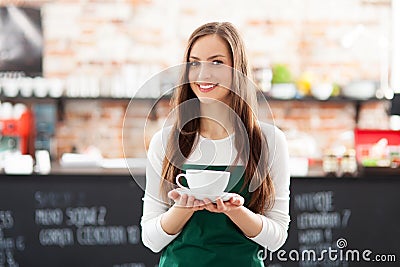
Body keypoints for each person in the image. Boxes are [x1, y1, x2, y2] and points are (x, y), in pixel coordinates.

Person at [141, 22, 290, 266]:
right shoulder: (166, 141)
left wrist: (235, 211)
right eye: (195, 63)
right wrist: (184, 208)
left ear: (237, 69)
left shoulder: (269, 141)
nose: (203, 74)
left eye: (217, 62)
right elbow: (151, 239)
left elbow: (276, 239)